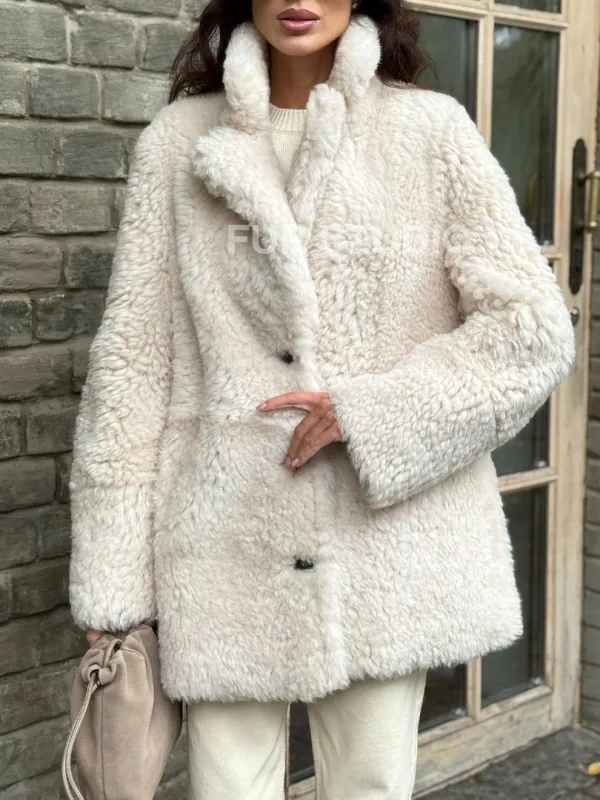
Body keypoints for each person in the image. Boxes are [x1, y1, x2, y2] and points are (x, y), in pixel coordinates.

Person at [68, 1, 576, 798]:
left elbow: (531, 329)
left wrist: (371, 414)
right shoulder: (179, 141)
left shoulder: (428, 132)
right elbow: (132, 365)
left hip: (382, 543)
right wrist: (113, 580)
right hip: (221, 540)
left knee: (370, 787)